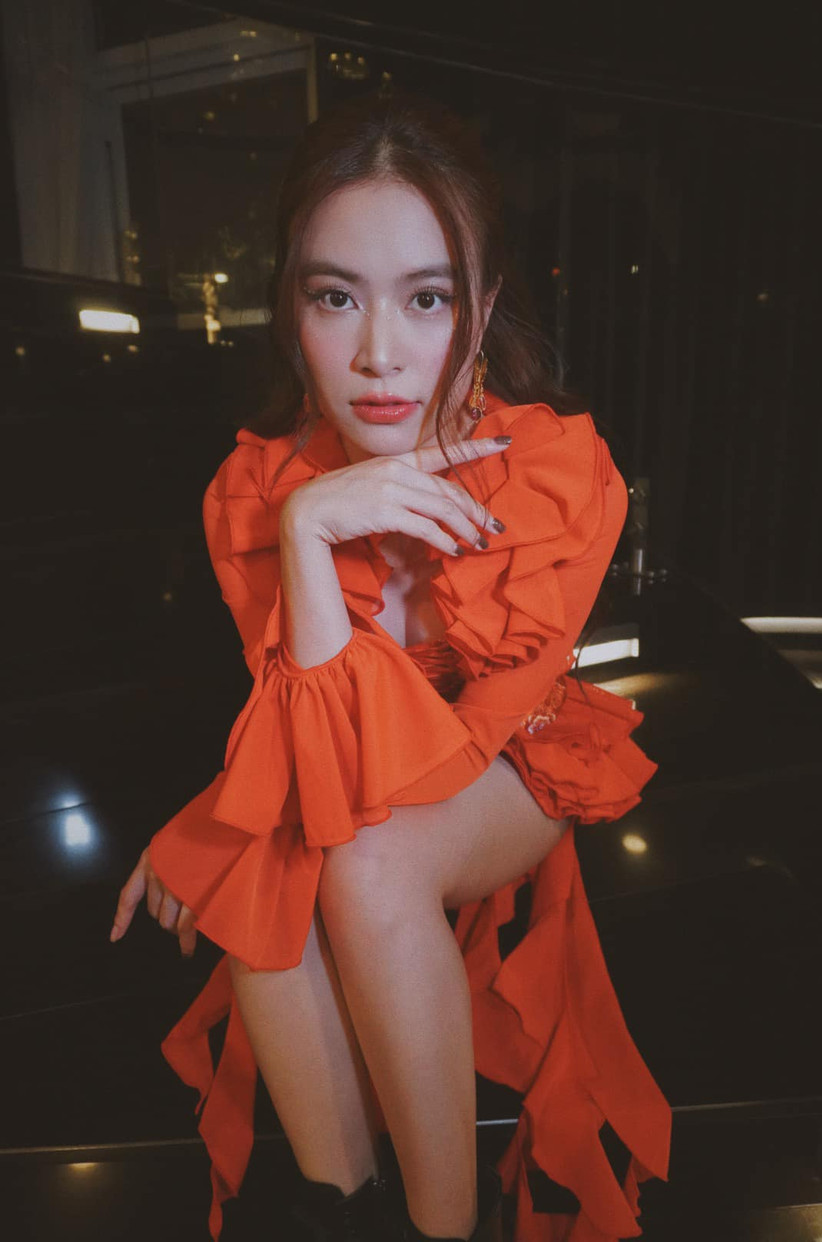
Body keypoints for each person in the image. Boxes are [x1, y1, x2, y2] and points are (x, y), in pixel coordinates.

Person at [109, 91, 671, 1242]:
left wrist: (226, 807)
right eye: (334, 297)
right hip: (358, 766)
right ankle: (344, 1209)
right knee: (267, 863)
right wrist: (311, 526)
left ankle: (442, 1228)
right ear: (292, 308)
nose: (377, 355)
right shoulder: (256, 493)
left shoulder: (558, 477)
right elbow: (314, 747)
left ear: (484, 305)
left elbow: (432, 759)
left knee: (348, 854)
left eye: (426, 298)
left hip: (510, 757)